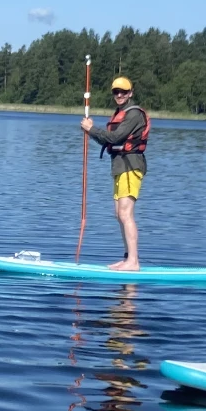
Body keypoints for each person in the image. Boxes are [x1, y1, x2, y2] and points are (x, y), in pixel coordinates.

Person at [81, 75, 149, 271]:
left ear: (130, 93)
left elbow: (115, 137)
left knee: (126, 214)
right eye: (116, 92)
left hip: (130, 166)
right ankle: (127, 258)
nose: (119, 95)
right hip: (119, 166)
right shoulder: (120, 113)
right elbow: (109, 139)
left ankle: (133, 261)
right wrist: (91, 131)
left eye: (123, 92)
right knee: (119, 214)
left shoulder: (134, 114)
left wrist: (91, 129)